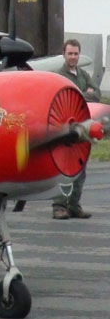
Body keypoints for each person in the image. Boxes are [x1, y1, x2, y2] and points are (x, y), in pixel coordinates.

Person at [52, 39, 101, 220]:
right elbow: (64, 96)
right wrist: (84, 92)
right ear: (64, 54)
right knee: (64, 169)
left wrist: (82, 93)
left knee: (81, 169)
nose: (73, 57)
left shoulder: (82, 74)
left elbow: (96, 93)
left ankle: (74, 205)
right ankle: (58, 205)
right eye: (70, 53)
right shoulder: (60, 76)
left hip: (82, 129)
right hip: (65, 130)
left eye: (75, 53)